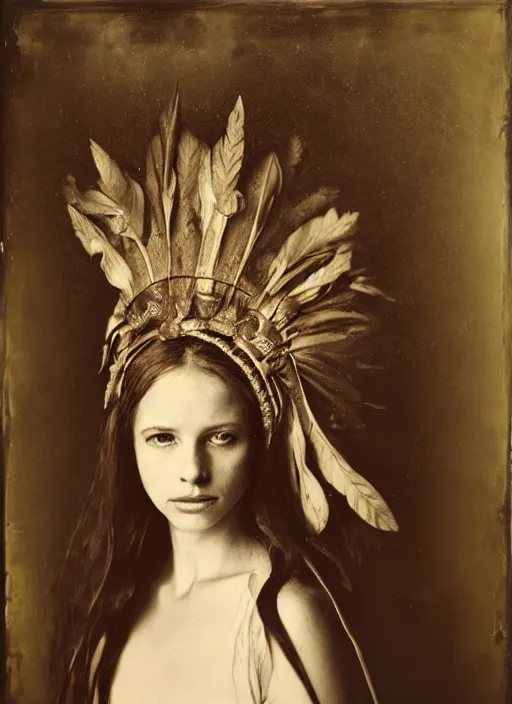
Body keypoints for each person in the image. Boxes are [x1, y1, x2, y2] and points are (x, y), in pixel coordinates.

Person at [52, 87, 398, 703]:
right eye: (162, 438)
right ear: (126, 443)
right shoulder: (109, 617)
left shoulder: (288, 618)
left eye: (221, 436)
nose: (192, 471)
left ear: (260, 440)